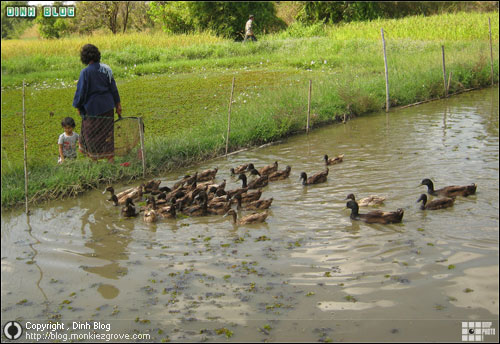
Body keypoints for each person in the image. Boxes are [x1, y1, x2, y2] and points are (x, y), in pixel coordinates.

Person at [73, 44, 122, 163]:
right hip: (108, 107)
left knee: (91, 135)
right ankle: (111, 160)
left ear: (84, 57)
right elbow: (113, 89)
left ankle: (94, 162)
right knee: (108, 134)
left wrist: (78, 105)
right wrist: (118, 104)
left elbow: (81, 92)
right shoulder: (107, 69)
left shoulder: (85, 72)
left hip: (92, 109)